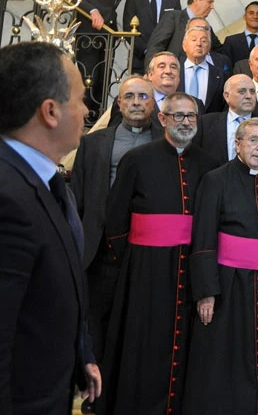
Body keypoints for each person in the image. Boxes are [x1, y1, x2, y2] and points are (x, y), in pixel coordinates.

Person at [97, 92, 218, 415]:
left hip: (191, 267)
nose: (185, 122)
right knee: (145, 341)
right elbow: (116, 218)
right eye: (178, 115)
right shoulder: (137, 159)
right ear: (162, 119)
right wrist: (133, 261)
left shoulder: (209, 164)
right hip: (145, 269)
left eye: (190, 116)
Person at [0, 41, 99, 414]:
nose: (87, 110)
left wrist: (79, 354)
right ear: (51, 112)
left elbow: (44, 297)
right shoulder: (8, 197)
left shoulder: (44, 181)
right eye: (80, 99)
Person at [183, 117, 258, 415]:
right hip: (226, 284)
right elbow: (203, 238)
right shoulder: (215, 180)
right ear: (237, 144)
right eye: (253, 140)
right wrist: (206, 292)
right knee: (222, 354)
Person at [71, 75, 162, 369]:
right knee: (96, 321)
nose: (136, 103)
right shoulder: (93, 143)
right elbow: (78, 200)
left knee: (137, 322)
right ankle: (94, 384)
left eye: (143, 97)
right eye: (130, 97)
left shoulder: (166, 142)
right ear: (119, 103)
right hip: (100, 249)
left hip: (145, 249)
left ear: (154, 104)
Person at [77, 0, 137, 116]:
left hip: (109, 31)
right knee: (88, 75)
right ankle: (83, 117)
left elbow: (113, 2)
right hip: (88, 31)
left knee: (104, 77)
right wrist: (92, 10)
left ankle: (97, 116)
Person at [122, 0, 181, 74]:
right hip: (139, 60)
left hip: (166, 62)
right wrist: (147, 51)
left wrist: (163, 53)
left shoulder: (174, 2)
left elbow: (176, 31)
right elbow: (128, 30)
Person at [193, 74, 257, 164]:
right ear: (227, 96)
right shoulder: (205, 123)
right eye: (242, 91)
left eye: (252, 91)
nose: (249, 96)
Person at [146, 0, 222, 61]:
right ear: (196, 0)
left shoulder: (207, 27)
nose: (212, 7)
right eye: (209, 2)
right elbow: (155, 46)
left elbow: (219, 51)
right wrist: (153, 67)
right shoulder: (173, 17)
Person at [179, 19, 227, 114]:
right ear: (184, 45)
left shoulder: (221, 75)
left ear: (209, 46)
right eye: (194, 40)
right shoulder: (174, 71)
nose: (199, 44)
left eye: (204, 41)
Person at [220, 1, 258, 65]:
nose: (255, 16)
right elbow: (225, 65)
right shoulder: (231, 41)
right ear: (244, 17)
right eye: (251, 13)